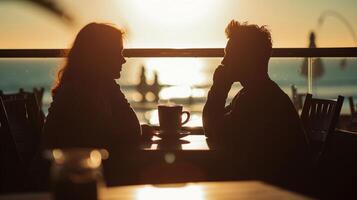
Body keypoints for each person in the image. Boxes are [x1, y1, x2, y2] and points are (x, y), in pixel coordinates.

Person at [203, 21, 309, 186]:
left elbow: (213, 129)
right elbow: (217, 125)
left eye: (229, 54)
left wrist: (219, 87)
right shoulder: (258, 92)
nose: (223, 60)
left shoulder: (258, 99)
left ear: (246, 58)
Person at [43, 23, 141, 152]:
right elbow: (129, 132)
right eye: (118, 53)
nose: (123, 60)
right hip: (67, 169)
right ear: (102, 56)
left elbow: (128, 129)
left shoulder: (98, 85)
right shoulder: (80, 94)